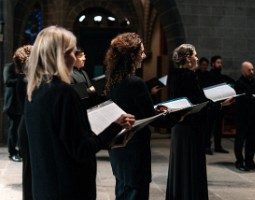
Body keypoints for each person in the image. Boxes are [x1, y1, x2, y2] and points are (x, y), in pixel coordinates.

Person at [24, 25, 135, 200]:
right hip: (70, 189)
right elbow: (82, 150)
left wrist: (108, 142)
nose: (73, 58)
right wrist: (115, 127)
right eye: (70, 52)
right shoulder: (63, 92)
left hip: (45, 187)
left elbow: (61, 141)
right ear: (58, 56)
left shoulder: (34, 90)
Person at [104, 32, 180, 200]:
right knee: (135, 193)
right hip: (135, 149)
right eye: (141, 52)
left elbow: (133, 108)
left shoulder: (113, 81)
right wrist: (179, 113)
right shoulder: (135, 82)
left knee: (122, 191)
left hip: (118, 147)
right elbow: (156, 120)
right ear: (132, 55)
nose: (144, 55)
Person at [166, 44, 233, 200]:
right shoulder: (189, 76)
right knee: (191, 168)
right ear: (188, 58)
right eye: (195, 55)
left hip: (179, 128)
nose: (197, 58)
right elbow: (200, 104)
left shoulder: (174, 75)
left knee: (180, 168)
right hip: (190, 129)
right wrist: (220, 104)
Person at [234, 61, 255, 171]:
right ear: (243, 70)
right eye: (249, 70)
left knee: (252, 140)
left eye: (253, 69)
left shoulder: (254, 81)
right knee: (240, 139)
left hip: (253, 116)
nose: (252, 72)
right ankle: (239, 161)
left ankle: (250, 161)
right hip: (243, 116)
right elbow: (243, 99)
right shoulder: (239, 83)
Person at [14, 45, 33, 200]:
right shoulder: (26, 80)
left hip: (25, 124)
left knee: (29, 168)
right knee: (30, 169)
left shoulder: (24, 79)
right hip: (28, 126)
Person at [206, 55, 235, 154]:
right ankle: (207, 146)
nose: (220, 64)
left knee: (218, 126)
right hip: (211, 106)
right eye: (218, 62)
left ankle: (218, 146)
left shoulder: (223, 77)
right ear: (213, 64)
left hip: (221, 105)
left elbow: (232, 83)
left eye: (221, 63)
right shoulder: (208, 75)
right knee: (209, 127)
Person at [3, 62, 22, 162]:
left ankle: (21, 152)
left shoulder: (26, 68)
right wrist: (23, 80)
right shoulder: (9, 66)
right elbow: (8, 81)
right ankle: (12, 152)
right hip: (12, 104)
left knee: (21, 129)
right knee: (13, 129)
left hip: (22, 103)